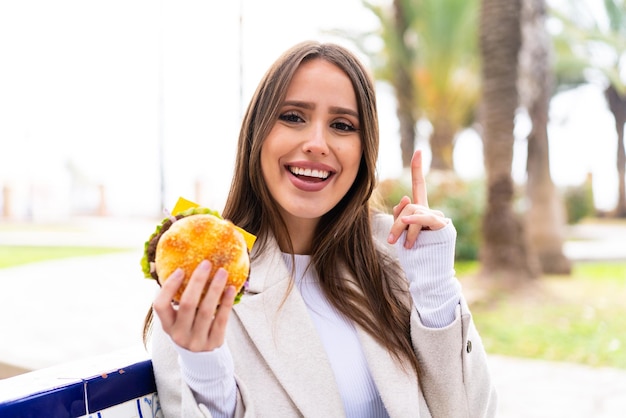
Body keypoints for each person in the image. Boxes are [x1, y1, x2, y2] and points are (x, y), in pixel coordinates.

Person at [145, 41, 497, 417]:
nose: (317, 144)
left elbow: (471, 412)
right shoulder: (200, 281)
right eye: (293, 117)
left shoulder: (398, 262)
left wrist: (435, 289)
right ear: (257, 133)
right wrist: (206, 368)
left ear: (364, 152)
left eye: (342, 125)